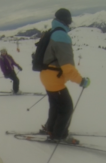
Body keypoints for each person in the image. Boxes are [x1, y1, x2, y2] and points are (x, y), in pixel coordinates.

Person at [40, 8, 90, 144]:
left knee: (55, 106)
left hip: (46, 77)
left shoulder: (51, 33)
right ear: (66, 21)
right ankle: (59, 135)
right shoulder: (61, 36)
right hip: (54, 79)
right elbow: (67, 67)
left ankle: (51, 129)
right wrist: (81, 81)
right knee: (66, 108)